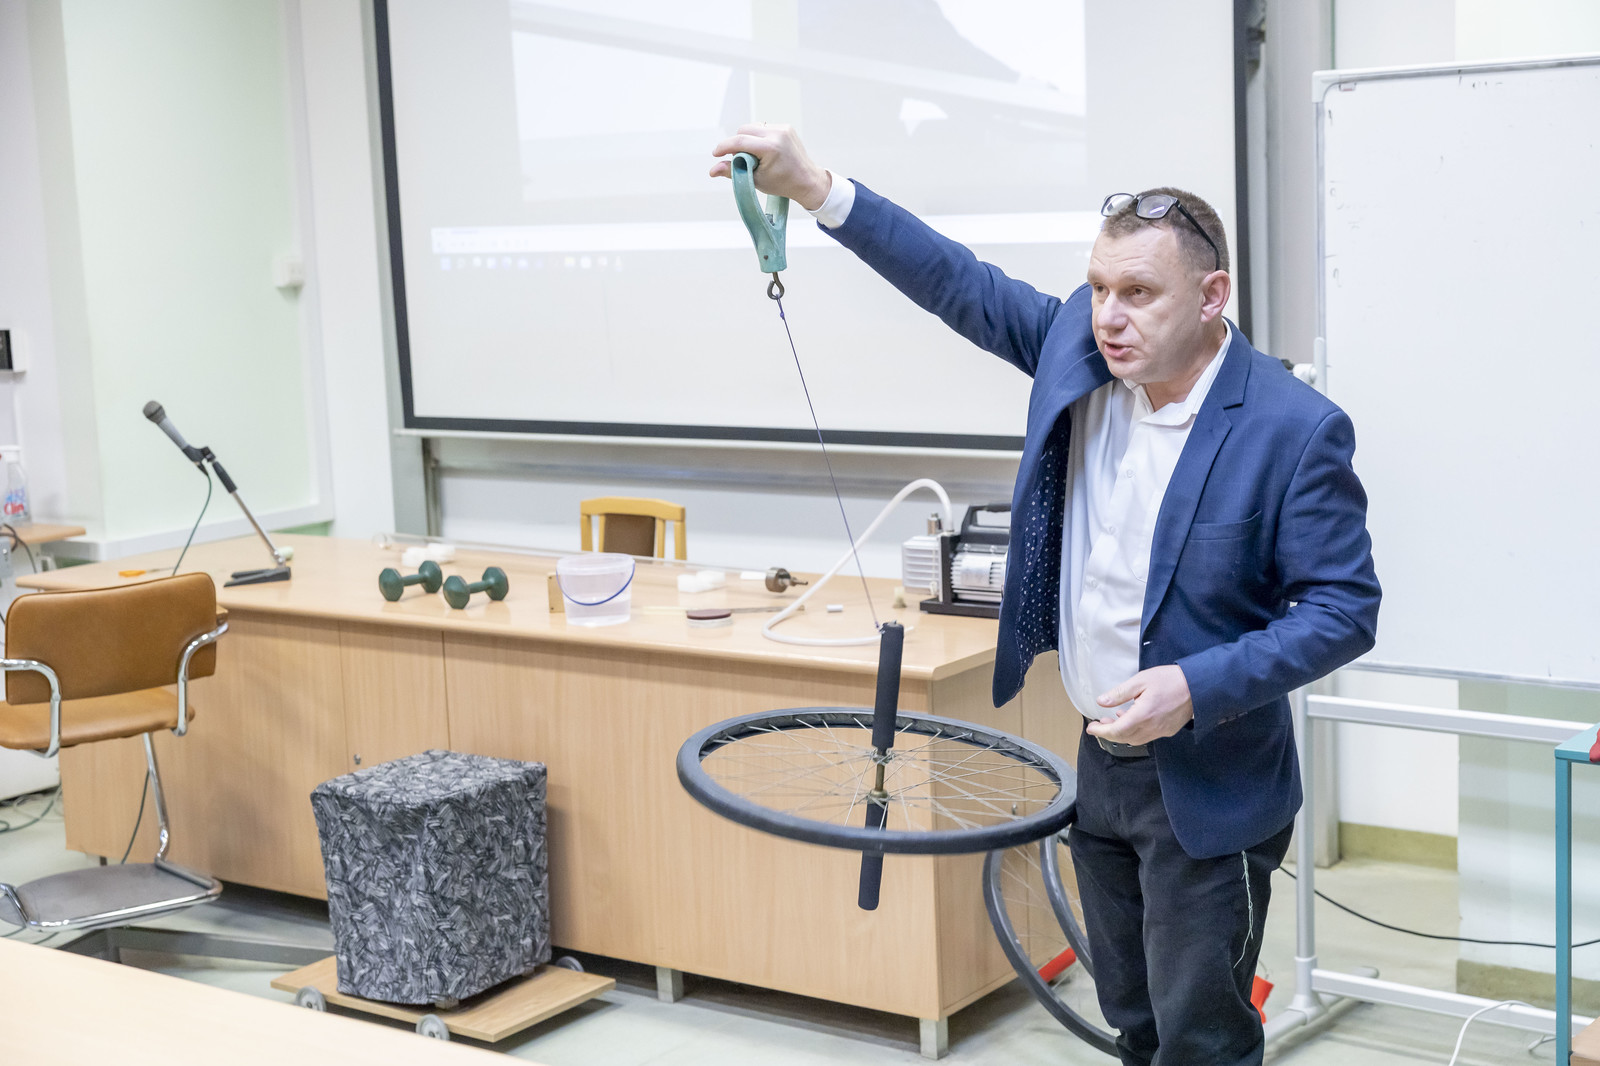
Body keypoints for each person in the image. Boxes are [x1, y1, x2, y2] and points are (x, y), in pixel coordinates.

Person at [711, 124, 1381, 1066]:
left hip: (1211, 781)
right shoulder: (1081, 350)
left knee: (1202, 1037)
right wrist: (818, 187)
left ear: (1212, 296)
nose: (1108, 316)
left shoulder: (1293, 427)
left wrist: (1193, 686)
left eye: (1138, 293)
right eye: (1098, 288)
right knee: (1133, 1018)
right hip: (1100, 760)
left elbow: (1344, 611)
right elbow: (954, 280)